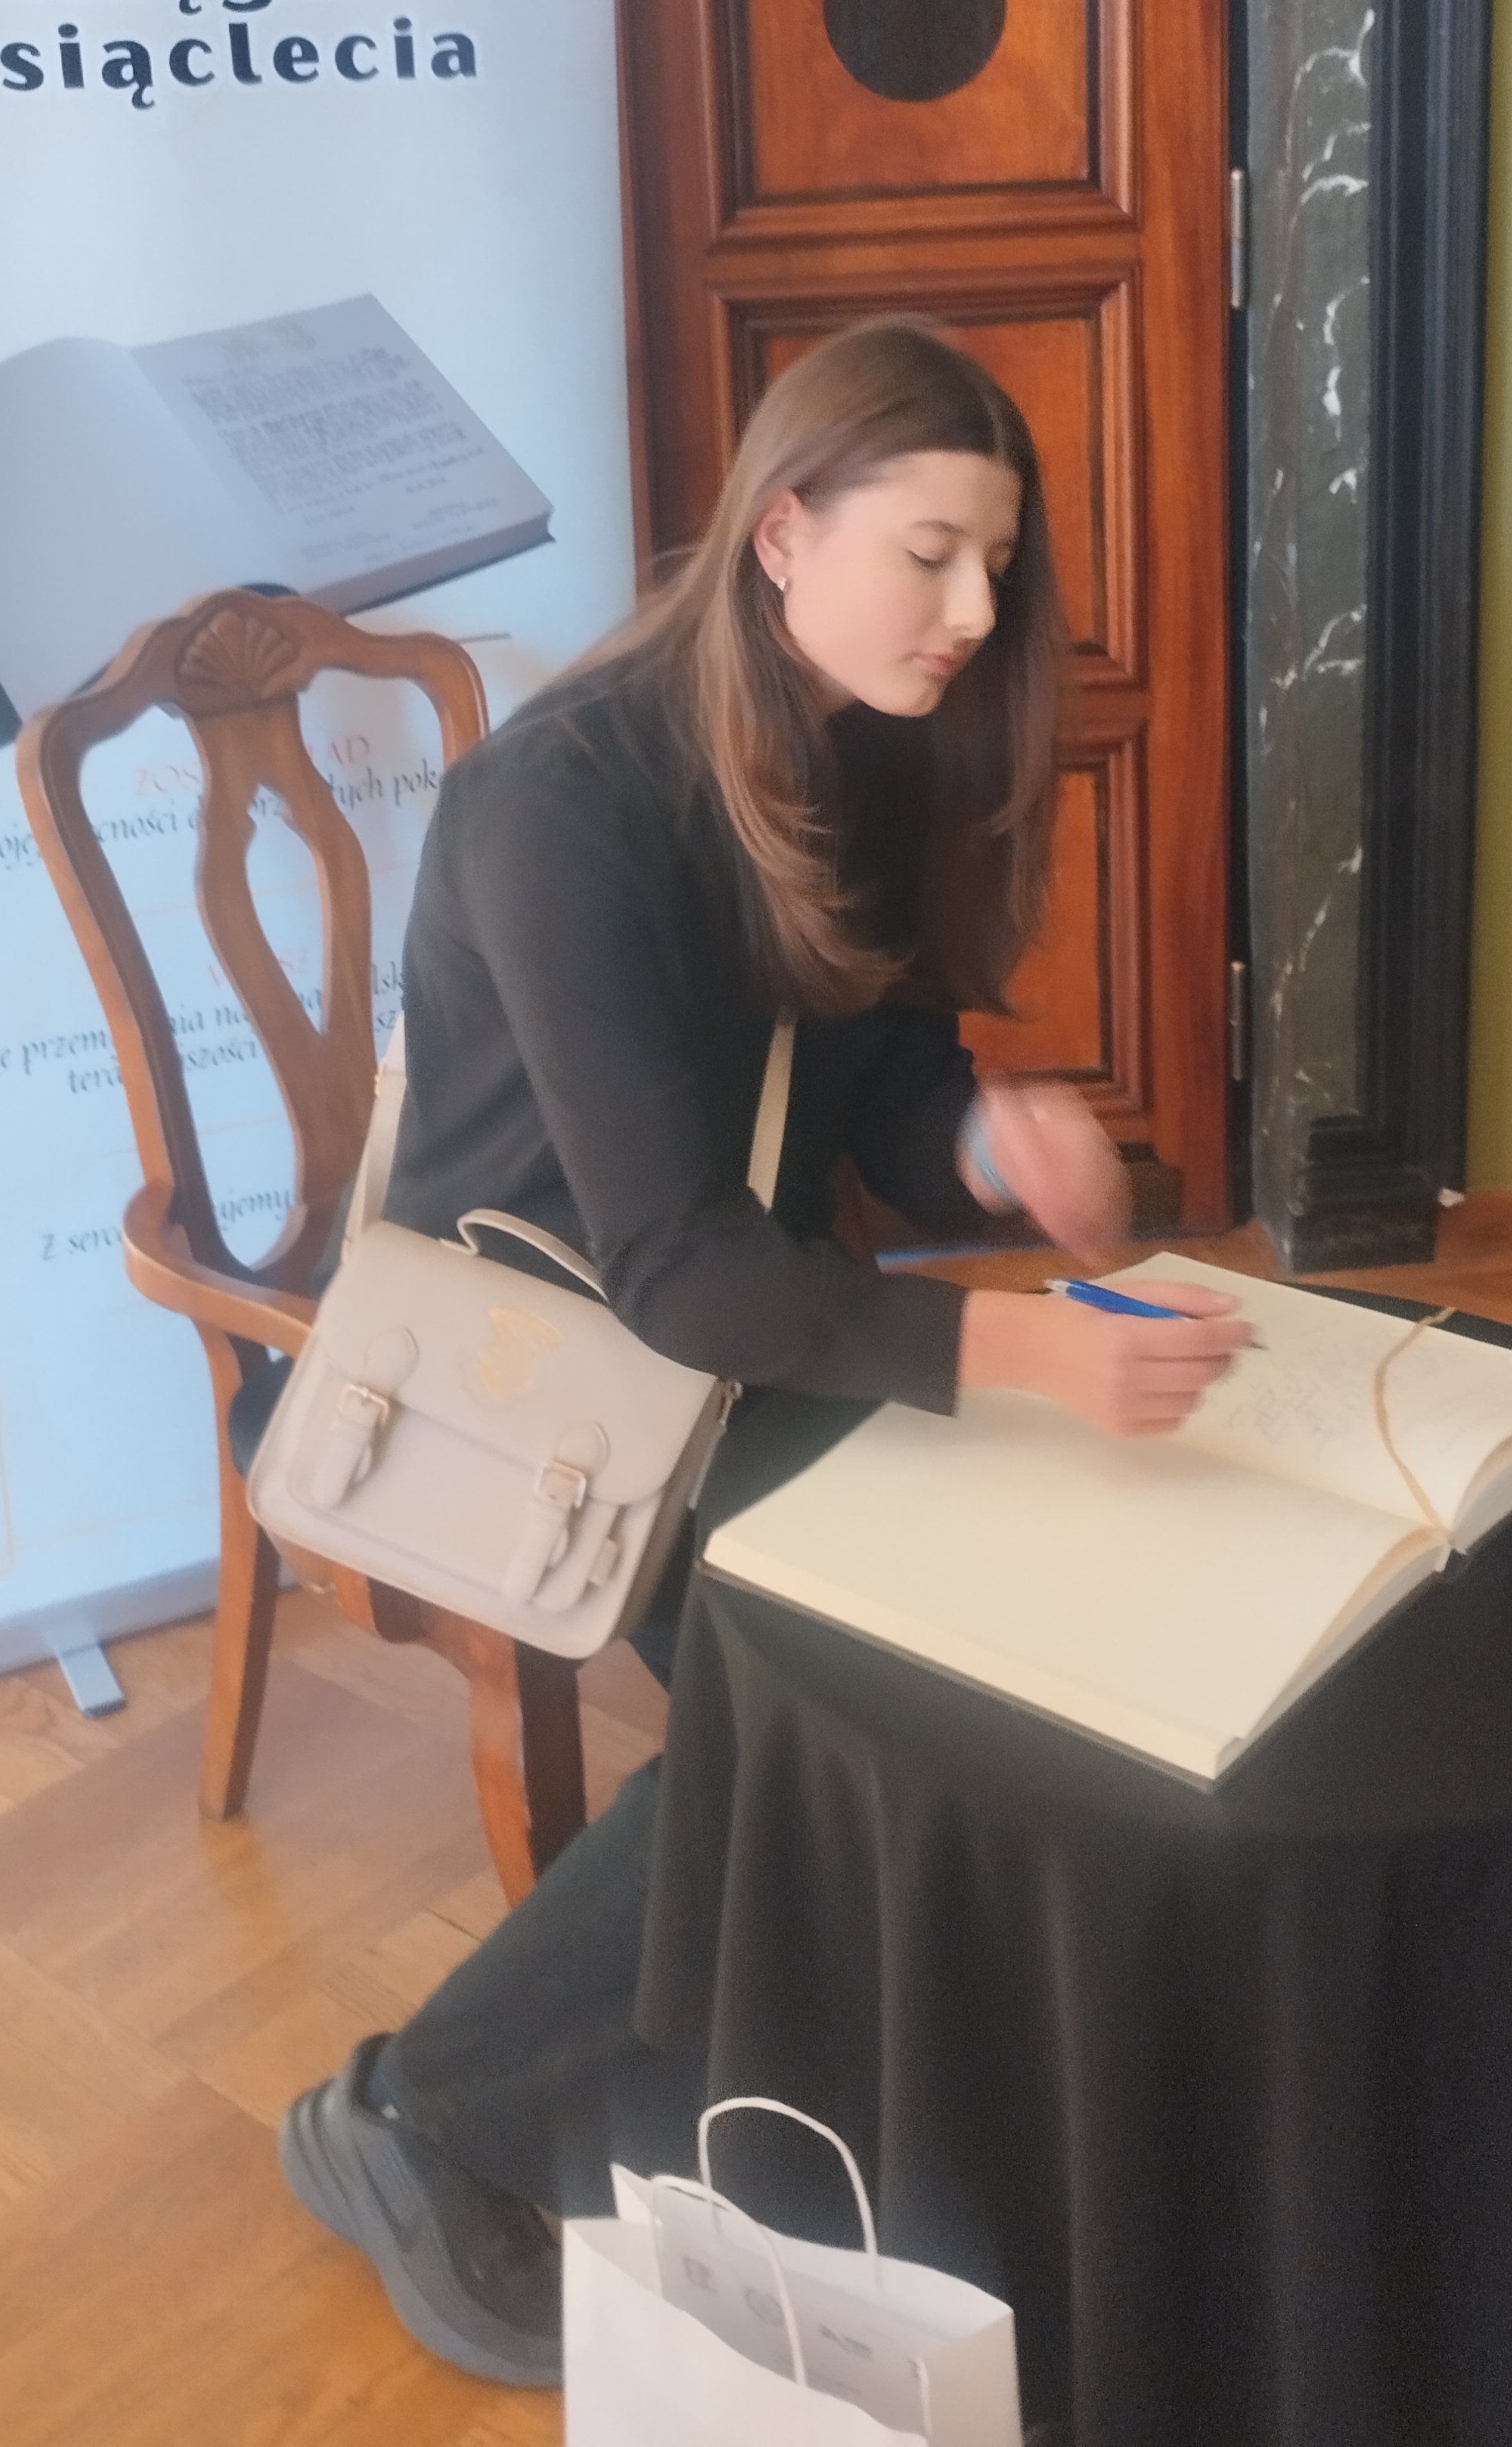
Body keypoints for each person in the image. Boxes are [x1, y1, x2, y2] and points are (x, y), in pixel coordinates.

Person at [275, 319, 1250, 2386]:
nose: (972, 613)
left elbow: (871, 1080)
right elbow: (675, 1271)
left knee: (998, 1625)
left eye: (997, 565)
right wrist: (1031, 1354)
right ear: (783, 531)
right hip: (558, 1378)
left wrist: (984, 1134)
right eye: (931, 555)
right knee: (832, 1701)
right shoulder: (557, 805)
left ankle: (866, 2062)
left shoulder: (854, 740)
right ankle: (417, 2119)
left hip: (736, 1327)